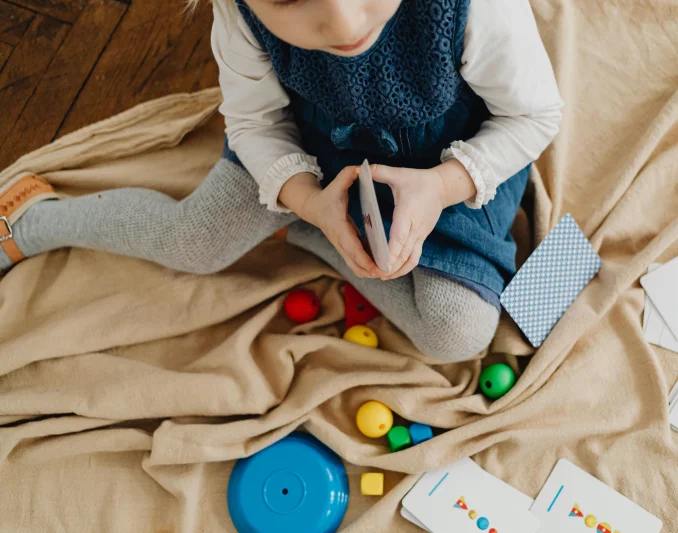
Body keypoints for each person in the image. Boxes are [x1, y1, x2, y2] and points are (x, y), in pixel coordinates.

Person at [0, 0, 563, 362]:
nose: (344, 23)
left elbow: (534, 117)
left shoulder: (477, 8)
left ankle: (305, 236)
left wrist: (442, 187)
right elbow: (254, 122)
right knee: (193, 243)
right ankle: (32, 221)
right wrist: (308, 200)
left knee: (458, 335)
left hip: (452, 160)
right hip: (309, 147)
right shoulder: (239, 14)